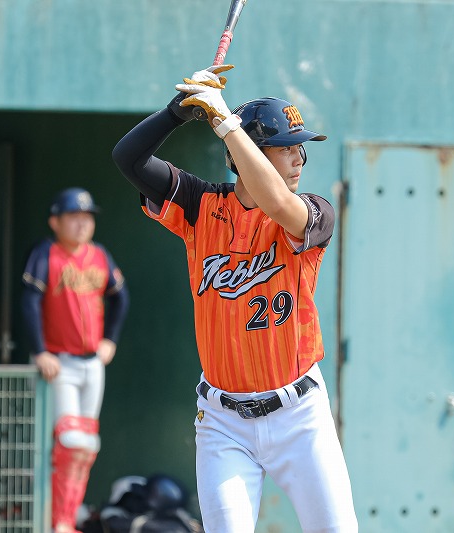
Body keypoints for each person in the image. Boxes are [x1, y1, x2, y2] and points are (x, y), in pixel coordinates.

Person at [111, 66, 358, 533]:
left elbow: (277, 205)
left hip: (299, 415)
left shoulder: (314, 211)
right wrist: (176, 113)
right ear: (248, 154)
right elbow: (128, 158)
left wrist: (224, 121)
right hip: (224, 422)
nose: (299, 158)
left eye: (300, 148)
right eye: (286, 147)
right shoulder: (200, 204)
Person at [21, 187, 129, 533]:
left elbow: (121, 298)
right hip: (59, 362)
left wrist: (110, 340)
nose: (82, 223)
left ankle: (67, 517)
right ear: (55, 222)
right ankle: (58, 521)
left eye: (87, 217)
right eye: (74, 217)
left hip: (91, 363)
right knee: (69, 443)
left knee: (85, 446)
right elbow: (29, 302)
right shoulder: (46, 254)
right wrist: (40, 350)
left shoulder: (99, 255)